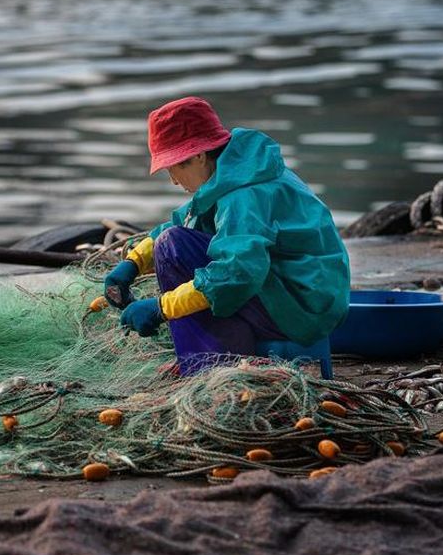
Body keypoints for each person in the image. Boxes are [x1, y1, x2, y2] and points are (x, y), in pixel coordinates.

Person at [105, 96, 350, 374]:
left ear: (198, 156)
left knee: (172, 247)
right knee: (174, 240)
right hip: (303, 294)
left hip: (302, 309)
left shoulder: (244, 195)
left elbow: (238, 274)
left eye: (173, 167)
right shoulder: (241, 170)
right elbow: (189, 219)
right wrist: (133, 263)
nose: (173, 180)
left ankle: (211, 367)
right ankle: (209, 355)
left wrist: (162, 308)